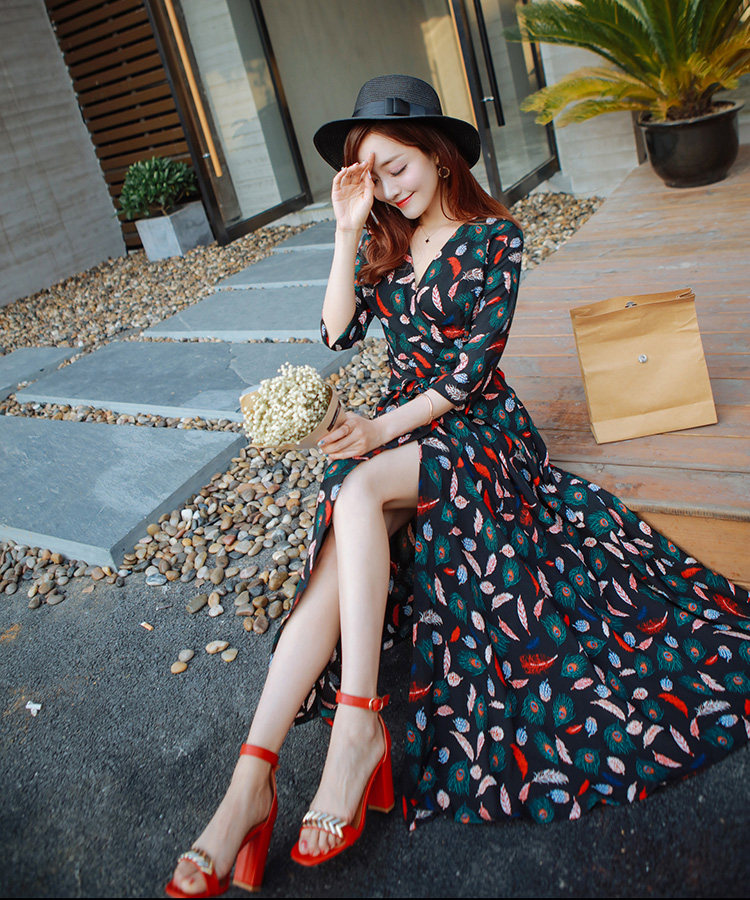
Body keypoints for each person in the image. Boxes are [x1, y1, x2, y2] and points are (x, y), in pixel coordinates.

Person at [166, 75, 750, 896]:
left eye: (397, 167)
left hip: (477, 429)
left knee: (355, 493)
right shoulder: (382, 243)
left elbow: (468, 376)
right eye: (372, 176)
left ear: (440, 157)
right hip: (400, 432)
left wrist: (377, 431)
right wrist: (346, 230)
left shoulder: (495, 239)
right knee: (339, 541)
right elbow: (335, 333)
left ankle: (353, 731)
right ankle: (248, 782)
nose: (389, 188)